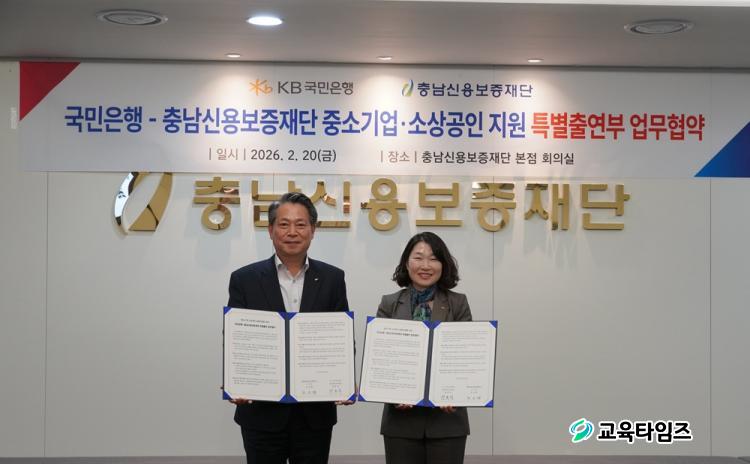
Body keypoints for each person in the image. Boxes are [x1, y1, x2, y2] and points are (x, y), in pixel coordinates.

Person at [227, 191, 349, 464]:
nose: (292, 232)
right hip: (260, 412)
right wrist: (236, 377)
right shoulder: (244, 279)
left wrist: (343, 378)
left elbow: (341, 337)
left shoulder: (332, 278)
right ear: (270, 230)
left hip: (314, 414)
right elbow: (236, 339)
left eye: (300, 224)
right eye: (284, 224)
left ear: (313, 230)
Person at [376, 232, 472, 464]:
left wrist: (455, 391)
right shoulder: (389, 303)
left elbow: (465, 356)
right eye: (418, 258)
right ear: (406, 263)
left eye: (434, 259)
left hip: (447, 421)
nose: (426, 266)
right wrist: (393, 392)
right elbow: (381, 358)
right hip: (401, 422)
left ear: (443, 265)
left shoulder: (458, 303)